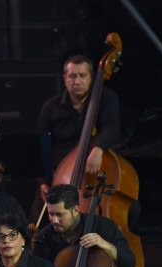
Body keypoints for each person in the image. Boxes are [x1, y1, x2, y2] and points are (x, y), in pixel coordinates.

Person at [35, 54, 120, 199]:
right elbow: (41, 147)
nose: (77, 81)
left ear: (91, 77)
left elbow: (112, 127)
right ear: (64, 78)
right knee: (37, 213)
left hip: (96, 174)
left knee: (132, 208)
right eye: (72, 76)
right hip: (61, 177)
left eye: (82, 75)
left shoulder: (106, 98)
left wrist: (98, 148)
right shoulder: (51, 107)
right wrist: (43, 182)